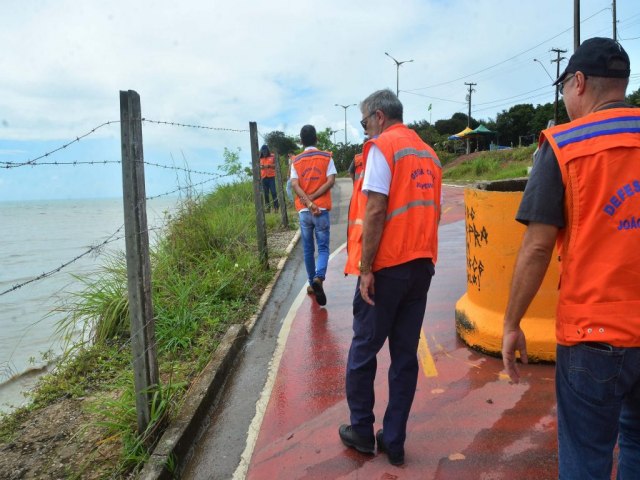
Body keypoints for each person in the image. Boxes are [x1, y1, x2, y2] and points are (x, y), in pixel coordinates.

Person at [501, 37, 640, 478]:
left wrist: (511, 323)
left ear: (578, 82)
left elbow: (538, 246)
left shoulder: (563, 146)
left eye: (564, 89)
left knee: (586, 458)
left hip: (592, 337)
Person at [339, 89, 442, 466]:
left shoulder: (383, 147)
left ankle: (362, 433)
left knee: (363, 351)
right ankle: (394, 440)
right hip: (421, 268)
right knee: (404, 356)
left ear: (379, 117)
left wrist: (366, 269)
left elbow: (377, 208)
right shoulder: (428, 154)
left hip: (387, 269)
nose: (364, 129)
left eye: (364, 122)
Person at [290, 125, 336, 306]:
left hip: (304, 212)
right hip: (322, 209)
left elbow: (294, 184)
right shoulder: (326, 157)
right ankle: (319, 278)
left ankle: (311, 284)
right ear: (317, 139)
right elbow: (331, 180)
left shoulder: (296, 160)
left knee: (308, 249)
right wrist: (315, 199)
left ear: (301, 141)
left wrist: (308, 202)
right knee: (323, 248)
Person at [259, 144, 279, 212]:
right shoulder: (259, 158)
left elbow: (276, 165)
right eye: (263, 152)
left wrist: (269, 166)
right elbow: (258, 167)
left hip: (271, 177)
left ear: (267, 151)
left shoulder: (272, 156)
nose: (264, 153)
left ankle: (276, 208)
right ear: (261, 152)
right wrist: (260, 167)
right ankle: (268, 209)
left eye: (265, 152)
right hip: (263, 178)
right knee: (266, 194)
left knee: (273, 192)